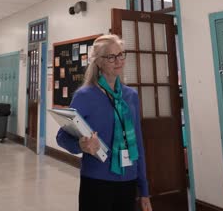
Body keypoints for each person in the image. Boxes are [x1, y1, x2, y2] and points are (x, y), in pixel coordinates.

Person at [57, 35, 152, 211]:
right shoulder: (85, 96)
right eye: (111, 57)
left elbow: (138, 143)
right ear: (99, 62)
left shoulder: (131, 95)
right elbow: (61, 137)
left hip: (128, 180)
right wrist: (81, 145)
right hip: (97, 181)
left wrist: (144, 189)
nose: (118, 61)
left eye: (121, 55)